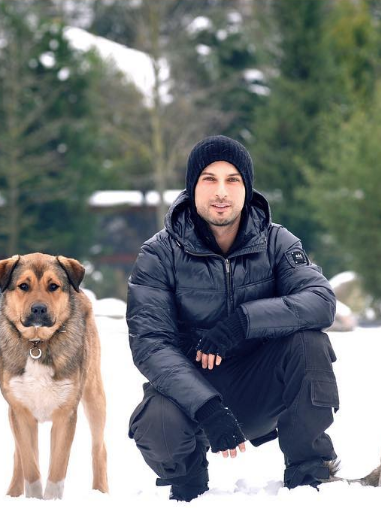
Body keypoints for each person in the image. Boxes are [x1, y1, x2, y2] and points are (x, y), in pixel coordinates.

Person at [126, 135, 340, 501]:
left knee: (310, 343)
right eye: (209, 179)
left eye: (233, 180)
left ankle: (309, 473)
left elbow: (321, 301)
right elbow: (150, 343)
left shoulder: (278, 243)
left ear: (247, 188)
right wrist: (206, 405)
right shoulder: (158, 254)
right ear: (192, 186)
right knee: (156, 422)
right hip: (192, 394)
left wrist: (243, 322)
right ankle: (189, 481)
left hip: (261, 385)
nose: (221, 192)